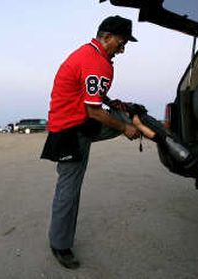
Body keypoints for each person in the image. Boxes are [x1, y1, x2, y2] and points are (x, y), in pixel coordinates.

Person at [41, 15, 156, 269]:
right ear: (107, 37)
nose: (123, 48)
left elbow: (92, 96)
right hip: (73, 132)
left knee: (125, 111)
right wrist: (125, 127)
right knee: (68, 190)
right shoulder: (97, 63)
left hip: (71, 125)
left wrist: (110, 101)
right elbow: (93, 110)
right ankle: (60, 245)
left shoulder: (87, 54)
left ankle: (135, 120)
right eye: (122, 42)